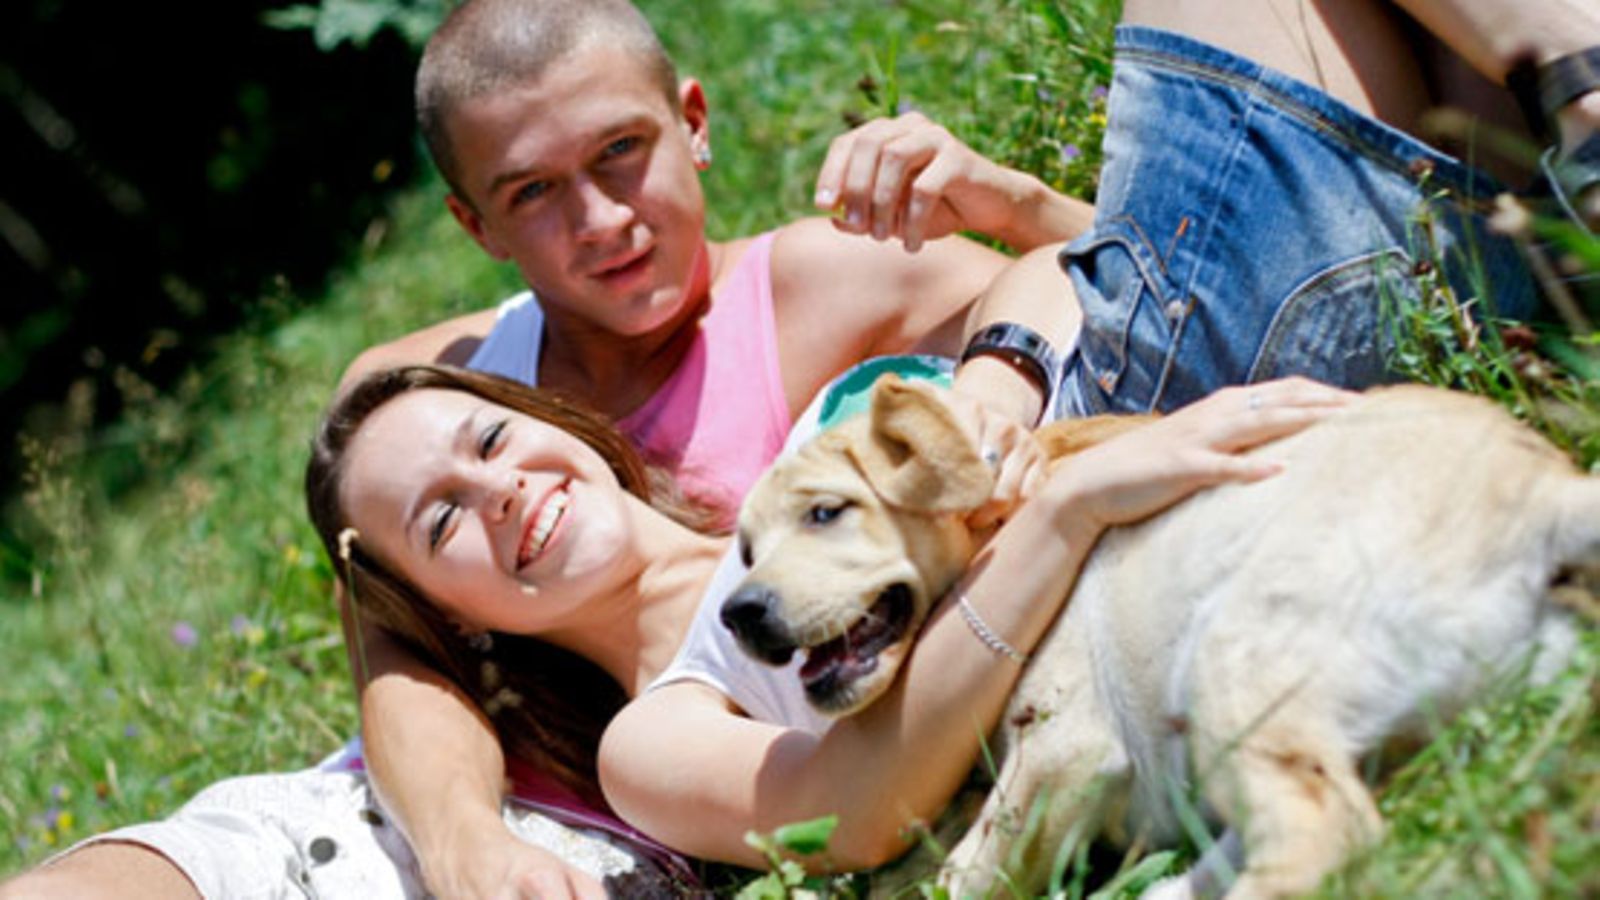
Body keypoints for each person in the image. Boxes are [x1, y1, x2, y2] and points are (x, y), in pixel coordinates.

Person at [1, 0, 1093, 895]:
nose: (602, 221)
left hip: (660, 819)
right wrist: (461, 839)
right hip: (438, 823)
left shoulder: (818, 289)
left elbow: (1105, 308)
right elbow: (400, 658)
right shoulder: (421, 400)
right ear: (474, 226)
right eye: (532, 191)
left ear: (693, 123)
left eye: (621, 152)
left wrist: (1016, 211)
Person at [302, 365, 1345, 874]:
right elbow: (849, 810)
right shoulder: (651, 736)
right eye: (443, 520)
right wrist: (1064, 514)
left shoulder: (812, 434)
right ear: (452, 620)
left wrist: (993, 386)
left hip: (1180, 414)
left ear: (554, 420)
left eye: (491, 441)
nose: (500, 493)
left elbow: (1035, 272)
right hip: (1173, 590)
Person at [956, 0, 1600, 434]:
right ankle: (1585, 91)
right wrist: (987, 404)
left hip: (1230, 348)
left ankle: (1580, 110)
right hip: (1151, 413)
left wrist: (1023, 208)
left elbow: (1055, 275)